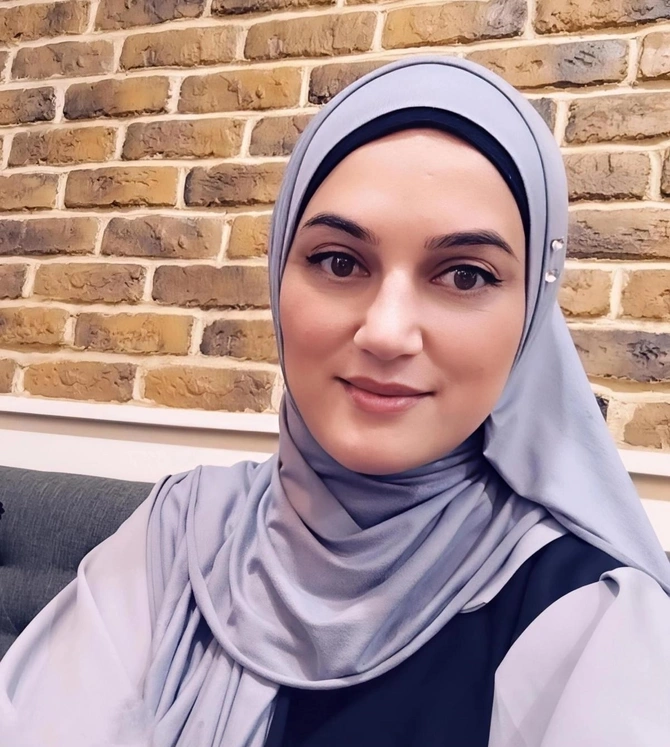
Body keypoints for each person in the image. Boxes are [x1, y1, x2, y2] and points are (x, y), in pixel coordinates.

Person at [1, 56, 669, 747]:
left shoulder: (589, 614)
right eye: (339, 262)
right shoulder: (181, 531)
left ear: (531, 316)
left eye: (465, 275)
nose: (386, 331)